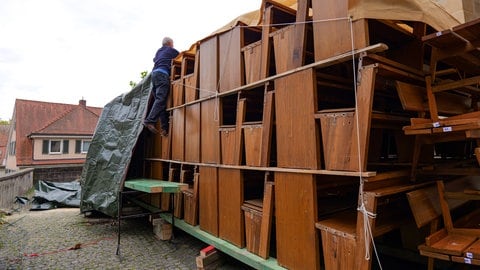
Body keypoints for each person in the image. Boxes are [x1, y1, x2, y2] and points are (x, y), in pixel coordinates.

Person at [144, 37, 179, 136]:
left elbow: (154, 59)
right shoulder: (171, 50)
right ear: (170, 43)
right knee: (160, 99)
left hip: (154, 76)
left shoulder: (158, 51)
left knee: (160, 102)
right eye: (173, 43)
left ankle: (164, 128)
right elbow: (181, 57)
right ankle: (149, 121)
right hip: (162, 75)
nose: (173, 45)